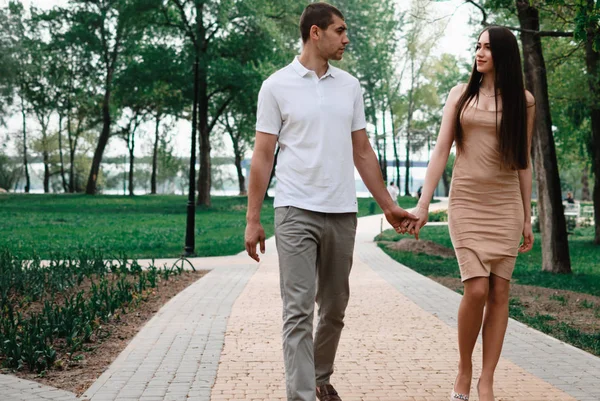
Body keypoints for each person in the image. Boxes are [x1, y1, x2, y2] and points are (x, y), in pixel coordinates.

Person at [244, 3, 417, 401]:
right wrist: (253, 219)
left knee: (335, 307)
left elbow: (362, 151)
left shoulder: (349, 86)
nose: (346, 38)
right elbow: (262, 156)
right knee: (298, 310)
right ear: (315, 33)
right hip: (294, 210)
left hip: (342, 211)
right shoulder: (276, 86)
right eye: (340, 31)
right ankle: (302, 395)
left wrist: (388, 205)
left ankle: (320, 376)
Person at [405, 26, 535, 401]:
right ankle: (464, 370)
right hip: (466, 202)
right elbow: (441, 150)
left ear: (504, 56)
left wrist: (527, 216)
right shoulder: (460, 95)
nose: (479, 54)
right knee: (476, 287)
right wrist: (424, 203)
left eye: (488, 49)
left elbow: (522, 161)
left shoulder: (523, 102)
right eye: (477, 47)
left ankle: (487, 380)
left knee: (499, 291)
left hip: (505, 204)